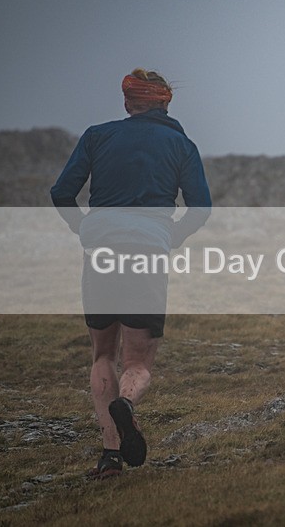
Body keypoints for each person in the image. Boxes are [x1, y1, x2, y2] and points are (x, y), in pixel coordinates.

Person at [51, 68, 211, 478]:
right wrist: (172, 235)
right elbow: (201, 207)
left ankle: (110, 455)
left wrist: (83, 227)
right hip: (148, 249)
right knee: (137, 361)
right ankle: (128, 401)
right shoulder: (181, 144)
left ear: (127, 103)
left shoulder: (97, 135)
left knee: (102, 353)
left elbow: (61, 192)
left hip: (100, 244)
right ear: (165, 102)